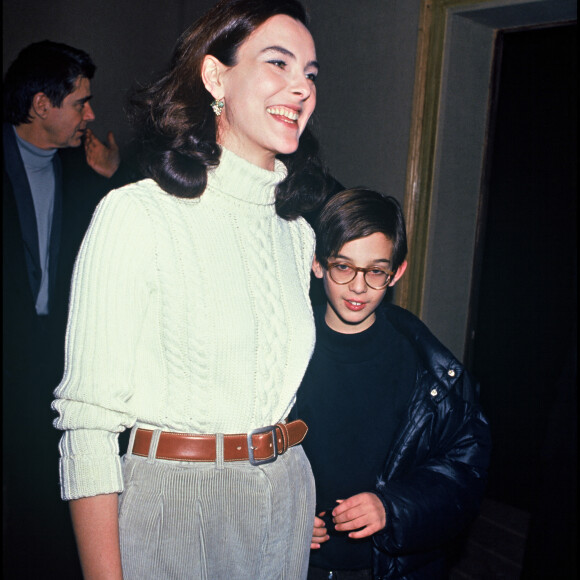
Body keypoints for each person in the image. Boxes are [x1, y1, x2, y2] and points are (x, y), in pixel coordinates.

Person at [51, 1, 331, 578]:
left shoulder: (297, 234)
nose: (300, 87)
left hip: (285, 495)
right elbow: (88, 422)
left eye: (310, 72)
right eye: (278, 62)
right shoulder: (137, 215)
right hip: (175, 505)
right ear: (214, 77)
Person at [291, 188, 492, 579]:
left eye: (376, 271)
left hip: (384, 568)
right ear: (317, 264)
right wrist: (282, 514)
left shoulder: (432, 373)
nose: (358, 286)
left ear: (396, 272)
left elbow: (463, 476)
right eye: (343, 266)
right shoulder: (279, 352)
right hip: (292, 564)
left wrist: (392, 507)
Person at [2, 40, 135, 578]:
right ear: (40, 105)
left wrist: (114, 179)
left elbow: (124, 250)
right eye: (81, 102)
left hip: (54, 366)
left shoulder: (86, 170)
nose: (91, 114)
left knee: (46, 500)